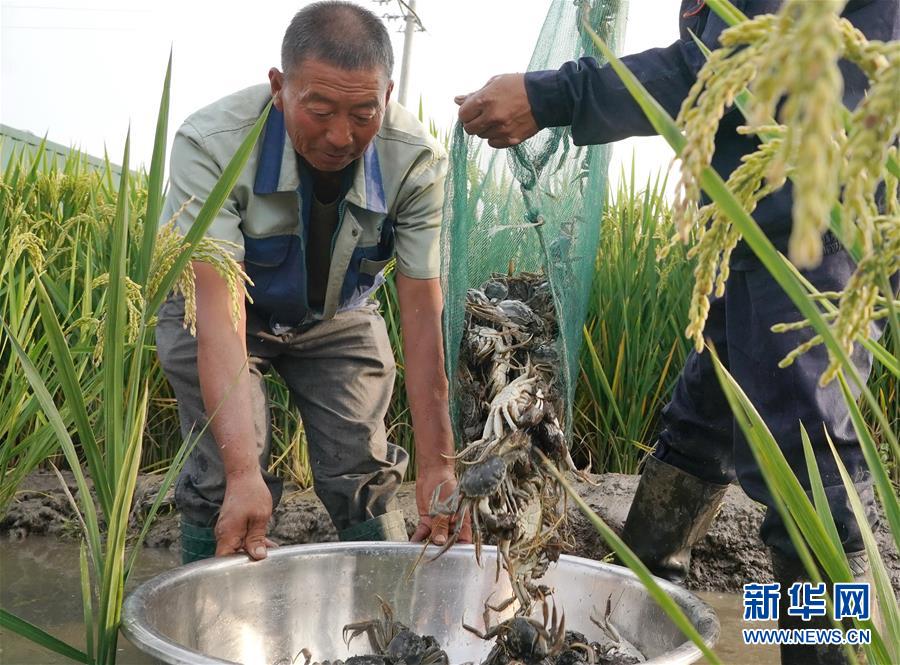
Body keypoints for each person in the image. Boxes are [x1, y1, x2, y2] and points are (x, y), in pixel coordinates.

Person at [455, 1, 897, 663]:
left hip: (810, 223)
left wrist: (551, 96)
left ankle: (832, 652)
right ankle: (642, 627)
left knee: (813, 477)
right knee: (700, 427)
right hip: (749, 229)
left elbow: (731, 66)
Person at [156, 1, 469, 565]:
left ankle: (389, 612)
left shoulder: (417, 161)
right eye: (318, 109)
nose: (340, 136)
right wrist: (242, 472)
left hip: (337, 315)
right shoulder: (211, 144)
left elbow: (423, 316)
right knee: (220, 476)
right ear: (280, 87)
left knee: (363, 469)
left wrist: (439, 464)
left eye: (363, 113)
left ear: (388, 95)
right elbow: (217, 307)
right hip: (221, 314)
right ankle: (213, 626)